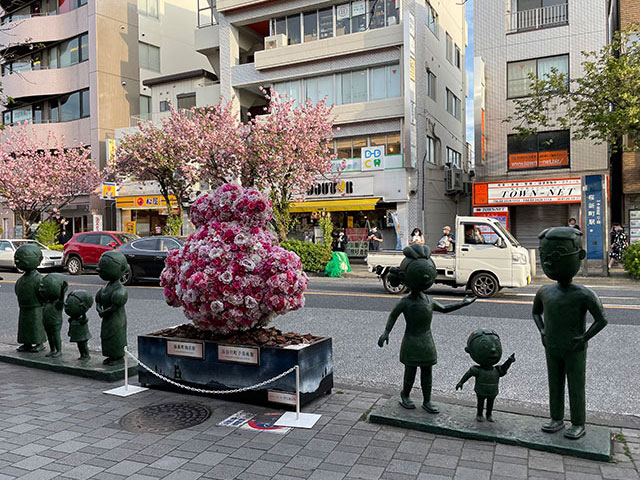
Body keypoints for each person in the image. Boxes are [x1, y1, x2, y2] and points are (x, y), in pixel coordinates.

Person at [377, 244, 476, 413]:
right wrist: (386, 332)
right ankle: (405, 394)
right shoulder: (406, 302)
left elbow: (444, 309)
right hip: (411, 341)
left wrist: (462, 304)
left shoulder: (429, 301)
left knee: (427, 372)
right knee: (410, 372)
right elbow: (394, 315)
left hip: (427, 341)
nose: (425, 275)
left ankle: (427, 400)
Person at [533, 227, 607, 439]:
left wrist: (584, 338)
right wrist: (542, 332)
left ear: (580, 256)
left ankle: (578, 422)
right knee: (554, 383)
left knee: (576, 385)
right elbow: (536, 313)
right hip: (552, 345)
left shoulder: (583, 293)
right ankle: (556, 418)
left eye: (556, 256)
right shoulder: (544, 291)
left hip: (575, 347)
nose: (549, 262)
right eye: (545, 256)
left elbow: (602, 320)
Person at [456, 329, 515, 423]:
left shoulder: (496, 370)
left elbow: (503, 369)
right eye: (485, 346)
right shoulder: (477, 370)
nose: (493, 349)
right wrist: (461, 382)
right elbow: (468, 374)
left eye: (496, 345)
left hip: (493, 391)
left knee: (490, 403)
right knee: (480, 402)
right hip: (481, 390)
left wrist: (509, 361)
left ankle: (489, 414)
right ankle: (479, 414)